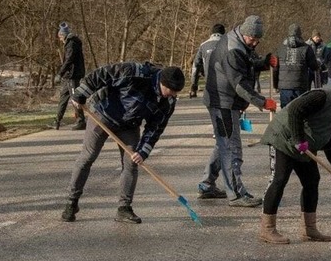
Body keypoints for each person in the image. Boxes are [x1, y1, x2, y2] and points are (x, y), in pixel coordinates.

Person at [60, 62, 185, 224]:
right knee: (88, 156)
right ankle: (71, 202)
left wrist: (142, 152)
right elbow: (102, 74)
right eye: (171, 91)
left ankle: (124, 208)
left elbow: (155, 129)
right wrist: (81, 94)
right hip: (102, 114)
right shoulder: (136, 73)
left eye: (176, 92)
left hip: (129, 125)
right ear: (162, 82)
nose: (173, 95)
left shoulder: (168, 102)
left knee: (131, 163)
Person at [257, 70, 331, 244]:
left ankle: (309, 229)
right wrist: (298, 139)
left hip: (303, 146)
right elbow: (295, 111)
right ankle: (267, 229)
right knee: (279, 179)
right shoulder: (322, 96)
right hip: (284, 138)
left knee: (312, 181)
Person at [199, 15, 277, 207]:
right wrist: (261, 101)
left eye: (258, 39)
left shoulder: (240, 42)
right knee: (231, 148)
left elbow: (248, 64)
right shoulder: (232, 49)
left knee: (223, 144)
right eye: (252, 39)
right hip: (222, 102)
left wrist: (264, 62)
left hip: (227, 102)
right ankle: (236, 194)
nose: (255, 42)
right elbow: (239, 84)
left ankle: (207, 184)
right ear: (244, 33)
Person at [273, 23, 319, 108]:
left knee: (286, 113)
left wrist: (275, 85)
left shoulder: (280, 48)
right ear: (300, 34)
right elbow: (314, 67)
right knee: (300, 111)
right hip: (301, 86)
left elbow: (275, 69)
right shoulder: (306, 48)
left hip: (284, 87)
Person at [52, 22, 86, 130]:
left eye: (60, 37)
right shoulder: (69, 43)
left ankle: (81, 121)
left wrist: (59, 73)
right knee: (63, 97)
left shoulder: (71, 44)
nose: (60, 40)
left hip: (73, 75)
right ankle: (57, 121)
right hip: (69, 75)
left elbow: (69, 61)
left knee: (74, 97)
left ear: (63, 35)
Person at [189, 23, 225, 99]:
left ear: (212, 33)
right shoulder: (229, 44)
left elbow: (196, 66)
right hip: (226, 81)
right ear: (223, 33)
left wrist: (193, 86)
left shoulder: (203, 45)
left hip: (209, 80)